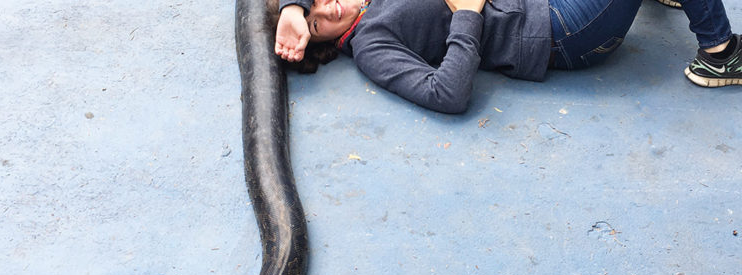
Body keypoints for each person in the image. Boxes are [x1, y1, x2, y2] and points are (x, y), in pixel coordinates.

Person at [273, 0, 741, 113]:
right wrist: (469, 14)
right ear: (330, 42)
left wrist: (292, 6)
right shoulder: (371, 45)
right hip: (557, 32)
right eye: (318, 22)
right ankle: (719, 55)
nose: (330, 8)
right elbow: (446, 93)